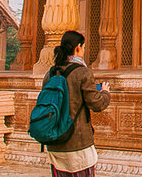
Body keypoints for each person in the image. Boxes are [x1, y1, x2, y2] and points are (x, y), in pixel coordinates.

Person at [41, 30, 110, 177]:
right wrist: (105, 93)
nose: (84, 51)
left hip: (54, 140)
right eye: (83, 47)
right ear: (78, 47)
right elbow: (96, 104)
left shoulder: (51, 73)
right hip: (77, 141)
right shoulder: (82, 73)